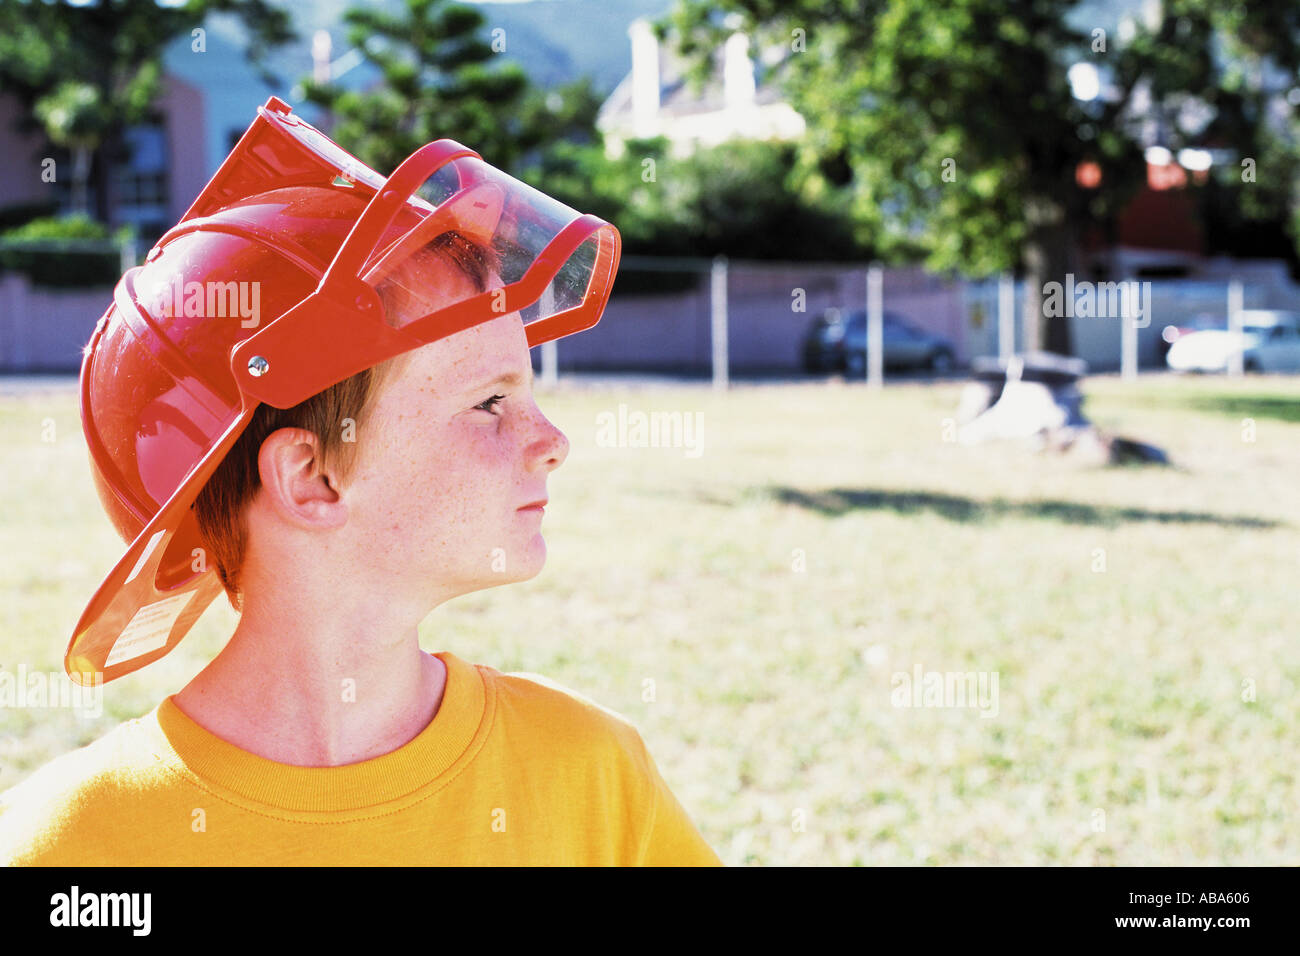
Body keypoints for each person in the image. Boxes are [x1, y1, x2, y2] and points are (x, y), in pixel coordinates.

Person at [0, 98, 721, 866]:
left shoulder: (592, 776)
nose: (552, 443)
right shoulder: (71, 847)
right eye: (488, 403)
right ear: (311, 477)